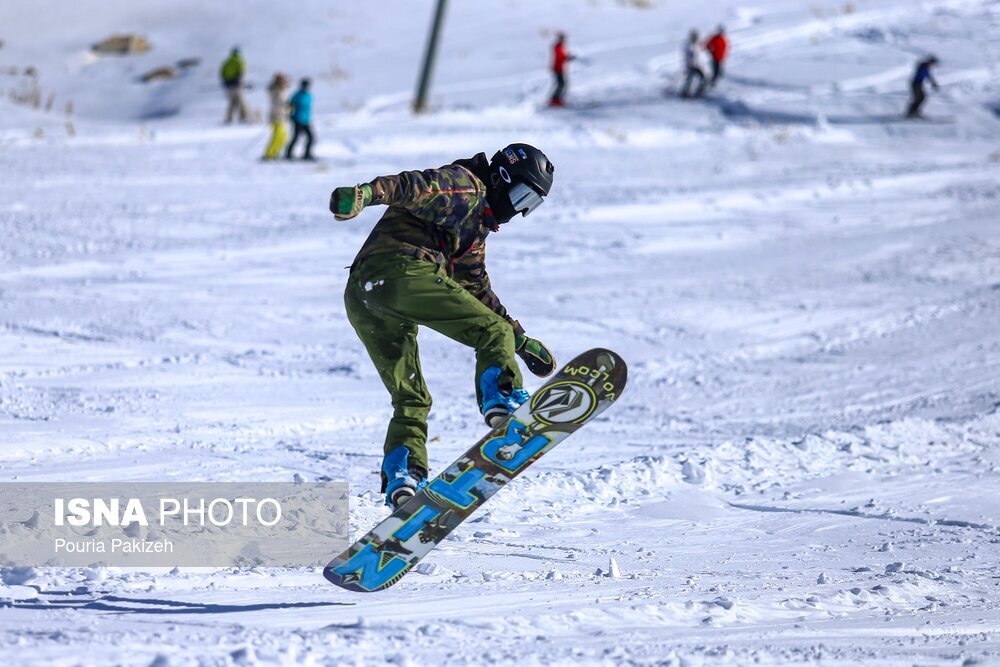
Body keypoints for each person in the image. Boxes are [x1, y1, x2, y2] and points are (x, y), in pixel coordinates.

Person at [328, 143, 558, 509]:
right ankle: (503, 402)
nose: (518, 208)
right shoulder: (465, 186)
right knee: (490, 333)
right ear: (501, 178)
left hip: (364, 295)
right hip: (400, 272)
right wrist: (364, 195)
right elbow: (411, 186)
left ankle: (403, 478)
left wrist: (521, 340)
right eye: (520, 194)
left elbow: (477, 290)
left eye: (530, 203)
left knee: (411, 398)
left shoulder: (475, 230)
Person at [285, 79, 315, 160]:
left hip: (306, 120)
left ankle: (307, 154)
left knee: (311, 138)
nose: (306, 87)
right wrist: (290, 115)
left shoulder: (309, 96)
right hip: (297, 119)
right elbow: (290, 106)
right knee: (295, 137)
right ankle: (288, 154)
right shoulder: (297, 95)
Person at [263, 73, 289, 160]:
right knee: (277, 137)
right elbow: (279, 103)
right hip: (276, 117)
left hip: (282, 116)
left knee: (283, 137)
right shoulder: (275, 91)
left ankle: (275, 153)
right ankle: (269, 154)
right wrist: (287, 106)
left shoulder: (283, 90)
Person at [220, 47, 248, 124]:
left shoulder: (227, 62)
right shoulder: (239, 61)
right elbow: (242, 72)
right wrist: (241, 82)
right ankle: (244, 117)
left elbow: (222, 73)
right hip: (237, 85)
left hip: (228, 86)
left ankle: (229, 118)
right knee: (241, 101)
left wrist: (226, 82)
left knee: (232, 102)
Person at [549, 32, 575, 107]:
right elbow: (560, 57)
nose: (564, 40)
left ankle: (557, 99)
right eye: (563, 38)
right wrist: (567, 58)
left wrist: (568, 57)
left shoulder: (561, 46)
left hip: (560, 67)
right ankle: (554, 100)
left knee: (561, 84)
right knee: (561, 84)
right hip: (558, 68)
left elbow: (563, 56)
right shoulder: (558, 46)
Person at [681, 30, 709, 99]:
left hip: (696, 65)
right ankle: (685, 93)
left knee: (702, 77)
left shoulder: (696, 44)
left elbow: (700, 53)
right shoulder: (689, 46)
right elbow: (689, 56)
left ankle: (698, 91)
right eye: (694, 37)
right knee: (690, 79)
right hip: (691, 66)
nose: (695, 38)